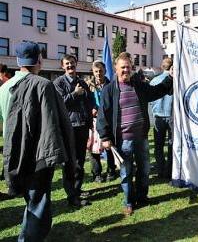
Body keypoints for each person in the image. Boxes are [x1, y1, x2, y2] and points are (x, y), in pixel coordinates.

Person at [0, 41, 76, 241]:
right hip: (37, 155)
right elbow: (56, 123)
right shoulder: (44, 85)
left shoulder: (4, 87)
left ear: (17, 61)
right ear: (40, 61)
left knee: (30, 200)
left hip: (14, 153)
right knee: (38, 202)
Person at [97, 52, 173, 216]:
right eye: (122, 67)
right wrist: (105, 137)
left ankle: (142, 197)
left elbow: (155, 92)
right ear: (116, 69)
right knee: (126, 173)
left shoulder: (138, 84)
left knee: (144, 170)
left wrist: (170, 79)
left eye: (128, 67)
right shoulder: (109, 90)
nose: (126, 70)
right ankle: (129, 202)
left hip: (141, 138)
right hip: (123, 140)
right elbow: (102, 115)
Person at [54, 54, 94, 207]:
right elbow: (60, 104)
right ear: (62, 66)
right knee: (70, 163)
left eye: (72, 63)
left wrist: (90, 120)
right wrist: (75, 94)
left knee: (80, 161)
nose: (70, 66)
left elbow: (88, 103)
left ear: (76, 64)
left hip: (82, 126)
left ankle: (77, 189)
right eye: (67, 64)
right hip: (69, 127)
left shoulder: (82, 81)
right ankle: (71, 196)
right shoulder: (58, 83)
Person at [86, 60, 116, 182]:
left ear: (105, 71)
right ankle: (97, 173)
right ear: (93, 72)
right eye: (96, 71)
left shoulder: (111, 84)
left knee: (109, 147)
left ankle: (111, 171)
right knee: (94, 149)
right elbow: (84, 101)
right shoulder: (88, 85)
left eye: (101, 71)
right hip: (93, 121)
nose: (98, 74)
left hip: (108, 120)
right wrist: (91, 108)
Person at [150, 58, 173, 179]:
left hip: (158, 116)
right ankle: (169, 171)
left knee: (158, 146)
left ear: (162, 66)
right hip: (171, 116)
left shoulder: (154, 80)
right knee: (171, 145)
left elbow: (150, 99)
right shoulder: (175, 81)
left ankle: (160, 169)